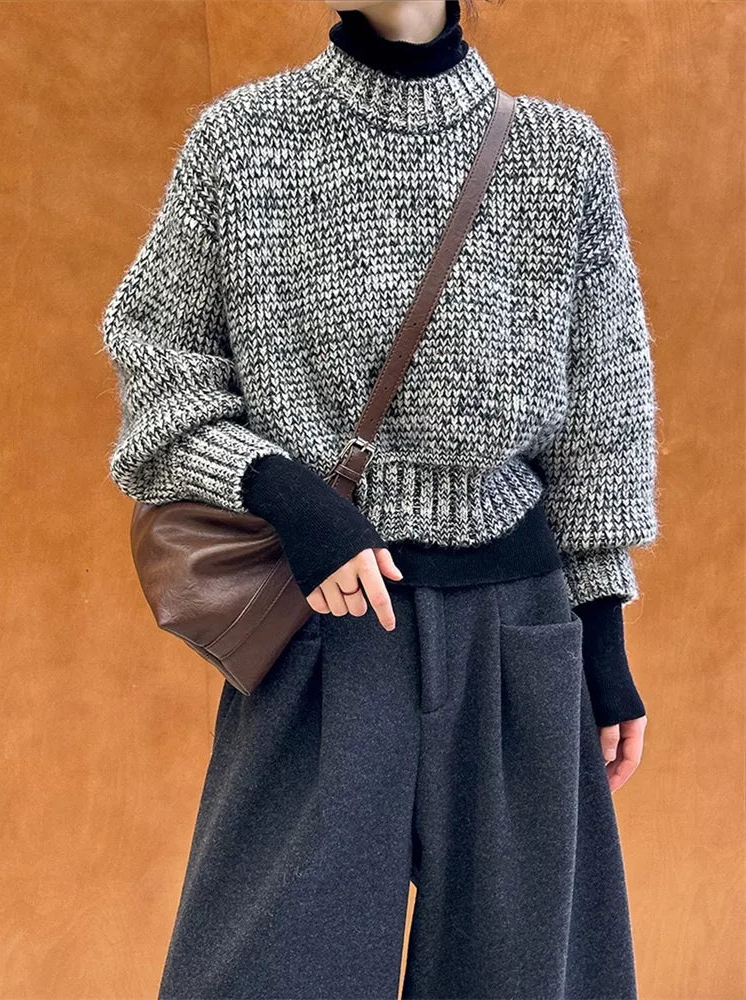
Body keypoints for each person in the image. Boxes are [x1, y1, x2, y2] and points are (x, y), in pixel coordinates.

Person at [100, 1, 659, 997]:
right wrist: (284, 494)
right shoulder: (242, 143)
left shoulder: (562, 156)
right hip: (324, 628)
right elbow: (158, 363)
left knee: (523, 976)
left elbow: (603, 420)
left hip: (516, 634)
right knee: (271, 974)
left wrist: (604, 641)